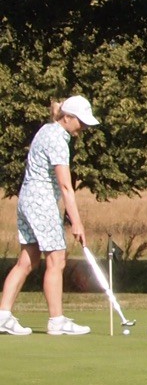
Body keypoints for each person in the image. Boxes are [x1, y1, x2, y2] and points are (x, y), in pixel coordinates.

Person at [0, 95, 99, 337]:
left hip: (28, 201)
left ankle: (2, 316)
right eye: (81, 122)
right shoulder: (57, 139)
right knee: (57, 261)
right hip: (42, 204)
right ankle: (57, 320)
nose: (84, 127)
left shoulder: (46, 130)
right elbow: (65, 186)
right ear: (67, 117)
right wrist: (76, 222)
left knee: (27, 260)